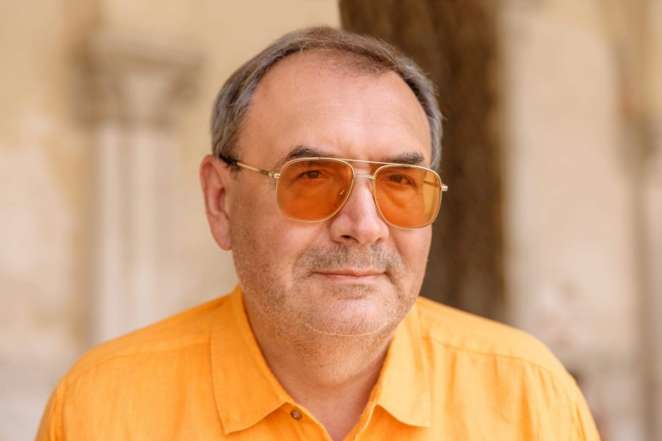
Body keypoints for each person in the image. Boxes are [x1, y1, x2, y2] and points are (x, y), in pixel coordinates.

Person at [36, 26, 600, 441]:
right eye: (311, 177)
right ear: (221, 200)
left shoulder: (528, 399)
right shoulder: (103, 410)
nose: (364, 225)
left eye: (400, 181)